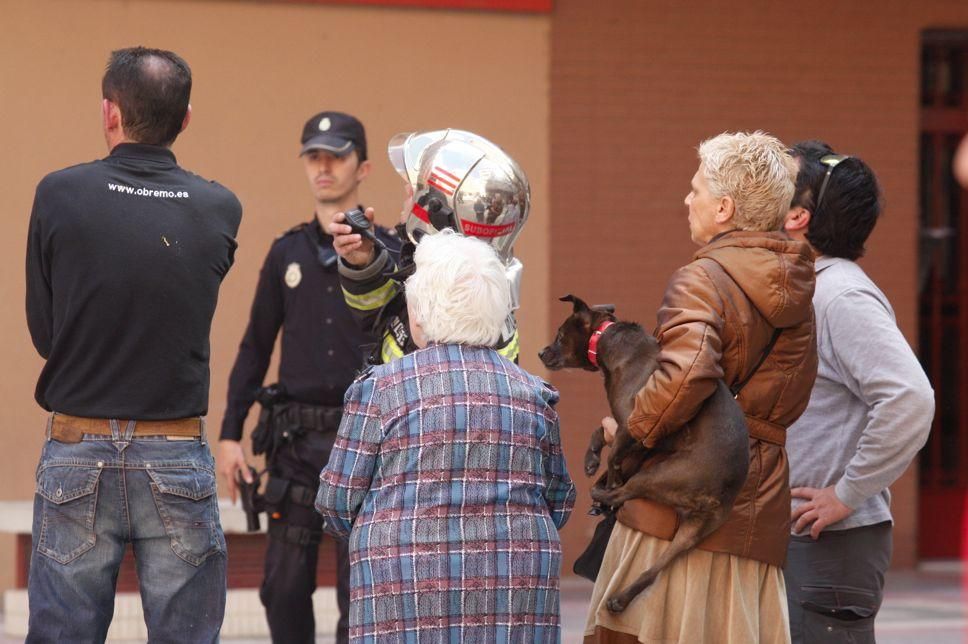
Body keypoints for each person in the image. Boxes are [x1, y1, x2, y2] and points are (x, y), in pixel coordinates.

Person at [25, 47, 241, 642]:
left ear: (109, 112)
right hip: (175, 447)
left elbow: (47, 333)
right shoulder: (220, 207)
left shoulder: (59, 193)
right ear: (186, 118)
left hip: (76, 445)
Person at [584, 131, 819, 644]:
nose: (686, 199)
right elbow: (793, 399)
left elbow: (685, 378)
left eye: (696, 190)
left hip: (679, 502)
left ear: (724, 208)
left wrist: (631, 438)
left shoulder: (702, 278)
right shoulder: (799, 286)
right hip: (758, 506)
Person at [315, 230, 576, 643]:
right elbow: (559, 500)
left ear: (418, 312)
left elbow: (336, 502)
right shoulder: (534, 395)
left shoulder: (380, 390)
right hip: (516, 597)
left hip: (403, 595)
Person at [217, 111, 396, 644]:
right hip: (295, 446)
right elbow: (255, 345)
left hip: (363, 444)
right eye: (314, 156)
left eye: (336, 156)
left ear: (362, 167)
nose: (323, 167)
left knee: (358, 591)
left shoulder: (386, 252)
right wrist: (230, 433)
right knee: (283, 586)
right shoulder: (286, 252)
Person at [782, 141, 934, 643]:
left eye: (779, 182)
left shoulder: (840, 294)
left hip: (831, 542)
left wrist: (846, 495)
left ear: (799, 216)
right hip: (807, 541)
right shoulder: (810, 287)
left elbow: (911, 398)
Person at [329, 129, 529, 364]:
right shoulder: (457, 283)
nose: (407, 193)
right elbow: (385, 317)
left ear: (439, 214)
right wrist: (364, 264)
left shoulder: (458, 301)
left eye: (417, 190)